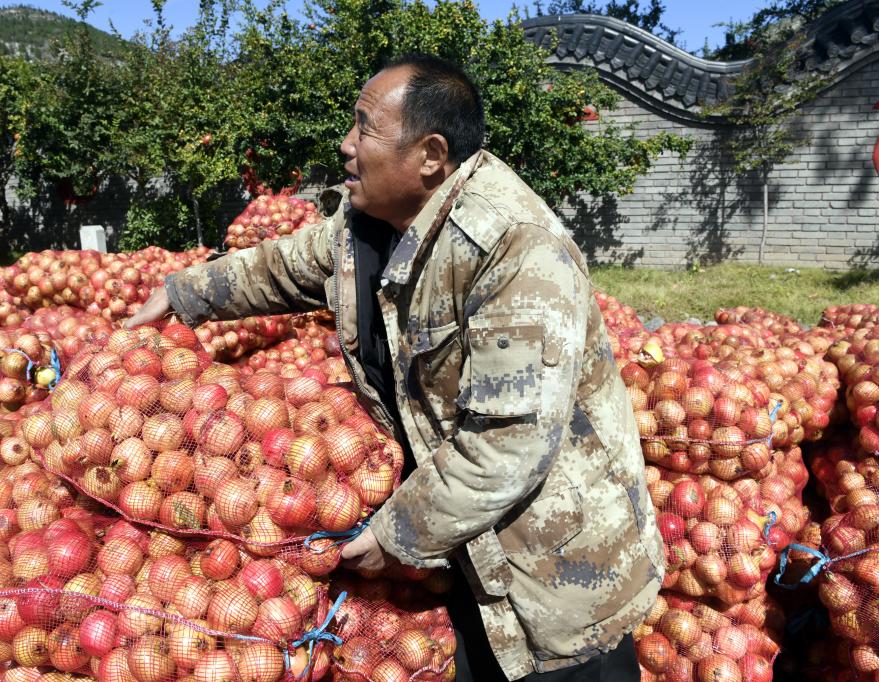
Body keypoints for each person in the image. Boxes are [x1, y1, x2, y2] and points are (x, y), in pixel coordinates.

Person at [125, 54, 664, 681]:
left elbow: (508, 443)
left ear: (431, 155)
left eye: (365, 129)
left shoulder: (514, 249)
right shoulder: (369, 226)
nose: (347, 146)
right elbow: (285, 265)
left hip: (558, 574)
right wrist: (182, 293)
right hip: (464, 547)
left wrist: (395, 537)